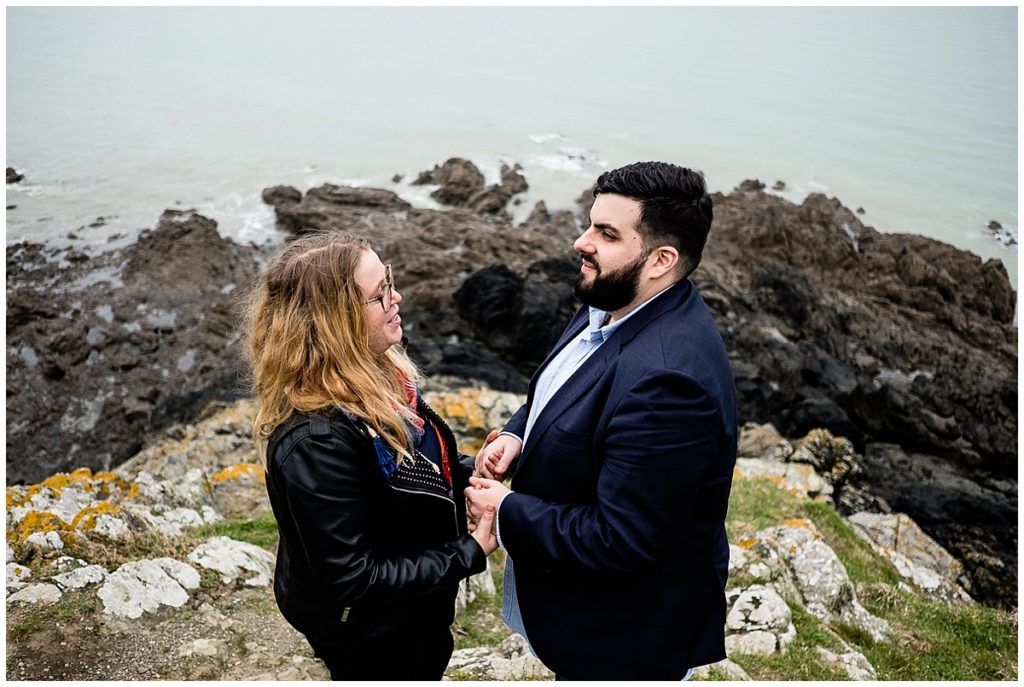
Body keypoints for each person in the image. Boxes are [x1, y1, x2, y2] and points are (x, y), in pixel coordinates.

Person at [466, 161, 737, 680]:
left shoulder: (667, 383)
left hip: (622, 638)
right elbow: (566, 391)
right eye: (590, 223)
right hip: (572, 603)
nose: (580, 242)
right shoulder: (613, 298)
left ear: (661, 259)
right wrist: (519, 433)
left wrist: (506, 509)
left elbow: (621, 538)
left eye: (606, 233)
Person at [244, 230, 497, 681]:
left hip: (413, 609)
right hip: (370, 632)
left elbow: (405, 475)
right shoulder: (316, 442)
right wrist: (469, 551)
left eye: (390, 282)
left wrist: (470, 472)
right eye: (379, 294)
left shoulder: (377, 374)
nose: (397, 298)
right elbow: (355, 578)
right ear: (335, 320)